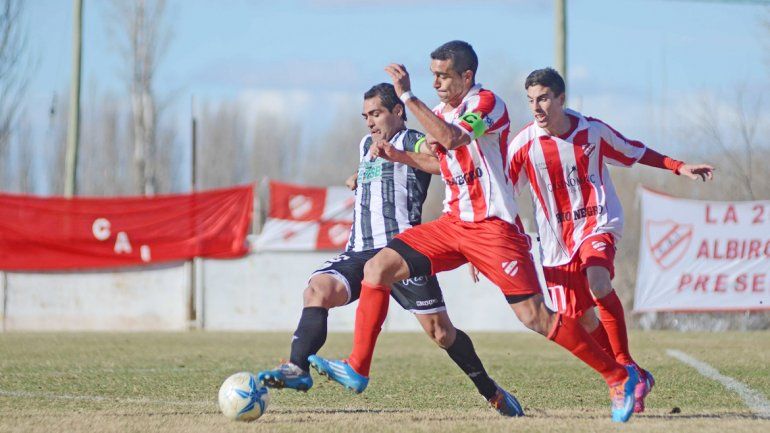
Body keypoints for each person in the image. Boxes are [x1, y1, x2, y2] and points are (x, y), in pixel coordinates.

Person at [308, 41, 639, 423]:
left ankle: (618, 376)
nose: (436, 82)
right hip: (453, 224)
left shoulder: (487, 105)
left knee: (535, 317)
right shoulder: (438, 112)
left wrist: (407, 95)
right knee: (377, 268)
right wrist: (400, 157)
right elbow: (441, 161)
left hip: (493, 228)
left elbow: (452, 139)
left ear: (466, 76)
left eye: (443, 75)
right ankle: (358, 367)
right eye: (432, 75)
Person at [257, 83, 523, 417]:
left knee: (441, 333)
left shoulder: (412, 140)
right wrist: (359, 176)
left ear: (398, 112)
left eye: (377, 113)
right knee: (318, 290)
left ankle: (491, 391)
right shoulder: (366, 144)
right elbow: (381, 173)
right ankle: (297, 368)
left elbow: (442, 159)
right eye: (366, 115)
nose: (369, 121)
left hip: (403, 253)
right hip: (359, 251)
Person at [505, 67, 714, 413]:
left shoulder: (592, 131)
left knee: (598, 281)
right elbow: (504, 196)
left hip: (597, 224)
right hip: (556, 244)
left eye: (543, 98)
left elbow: (634, 150)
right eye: (531, 101)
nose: (537, 107)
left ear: (561, 98)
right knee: (581, 321)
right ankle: (627, 378)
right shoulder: (523, 144)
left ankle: (625, 367)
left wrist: (678, 166)